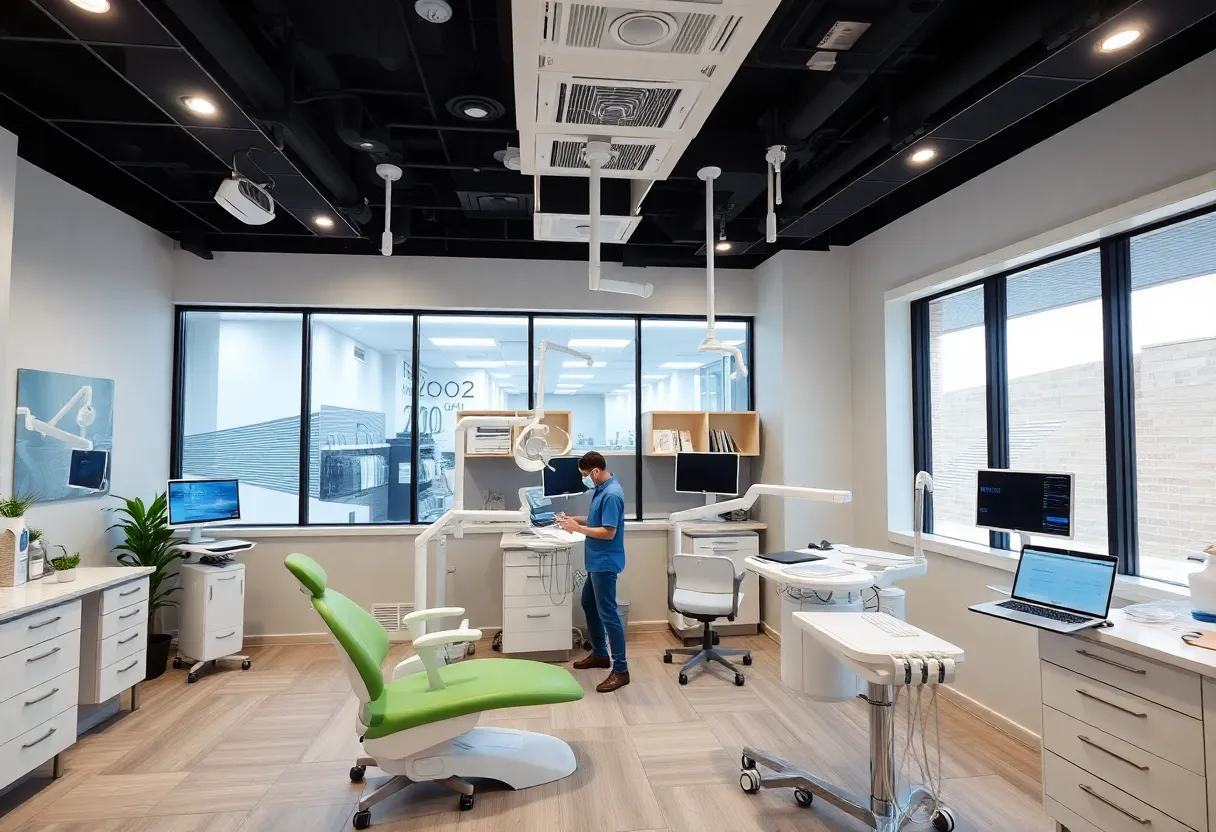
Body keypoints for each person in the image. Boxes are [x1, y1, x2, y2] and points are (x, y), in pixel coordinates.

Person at [556, 451, 629, 692]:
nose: (584, 479)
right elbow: (596, 519)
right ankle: (600, 654)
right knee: (588, 602)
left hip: (605, 562)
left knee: (609, 613)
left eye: (585, 475)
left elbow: (608, 532)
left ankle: (621, 669)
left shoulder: (612, 494)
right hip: (596, 561)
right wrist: (574, 520)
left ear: (595, 472)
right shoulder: (602, 489)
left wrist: (576, 529)